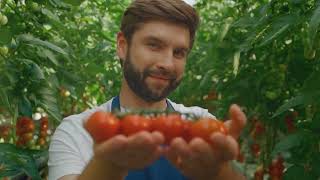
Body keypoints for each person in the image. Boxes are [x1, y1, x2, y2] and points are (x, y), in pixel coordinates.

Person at [48, 0, 247, 179]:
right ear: (123, 46)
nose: (167, 64)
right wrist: (109, 165)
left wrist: (219, 172)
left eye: (179, 52)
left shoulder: (202, 123)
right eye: (154, 45)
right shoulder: (79, 131)